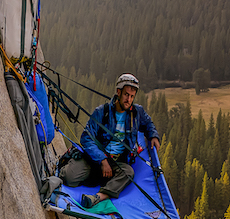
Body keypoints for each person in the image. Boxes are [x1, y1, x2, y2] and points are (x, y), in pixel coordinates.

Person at [60, 73, 161, 208]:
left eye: (132, 96)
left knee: (128, 172)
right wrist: (102, 160)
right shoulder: (102, 112)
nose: (128, 99)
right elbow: (86, 138)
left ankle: (98, 197)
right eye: (126, 94)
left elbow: (148, 123)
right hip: (94, 159)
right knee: (68, 177)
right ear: (118, 92)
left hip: (116, 163)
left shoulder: (136, 113)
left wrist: (153, 136)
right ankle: (80, 167)